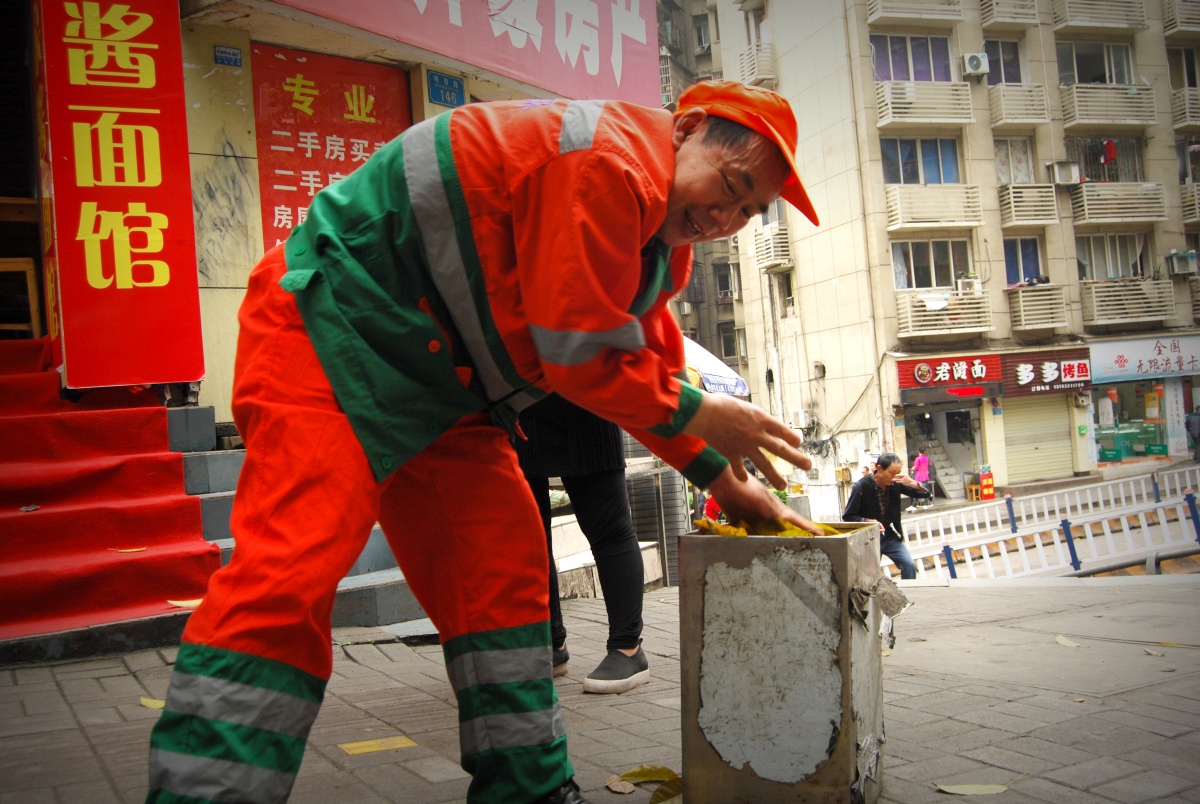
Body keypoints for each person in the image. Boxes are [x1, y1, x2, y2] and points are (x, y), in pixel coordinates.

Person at [144, 80, 822, 804]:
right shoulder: (607, 164)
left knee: (504, 577)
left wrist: (725, 483)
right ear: (684, 131)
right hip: (330, 331)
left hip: (444, 386)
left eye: (748, 213)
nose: (726, 217)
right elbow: (580, 355)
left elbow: (641, 371)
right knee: (291, 570)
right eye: (732, 184)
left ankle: (528, 791)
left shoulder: (660, 248)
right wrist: (700, 413)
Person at [513, 393, 649, 694]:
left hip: (585, 393)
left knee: (609, 530)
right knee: (528, 536)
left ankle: (628, 649)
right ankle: (550, 643)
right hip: (516, 406)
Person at [842, 453, 931, 580]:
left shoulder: (896, 483)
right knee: (869, 574)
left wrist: (912, 483)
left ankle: (907, 594)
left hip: (888, 535)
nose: (895, 477)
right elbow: (848, 516)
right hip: (869, 537)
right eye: (892, 472)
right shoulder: (861, 486)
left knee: (909, 565)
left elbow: (925, 494)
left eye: (898, 473)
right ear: (879, 469)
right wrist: (867, 521)